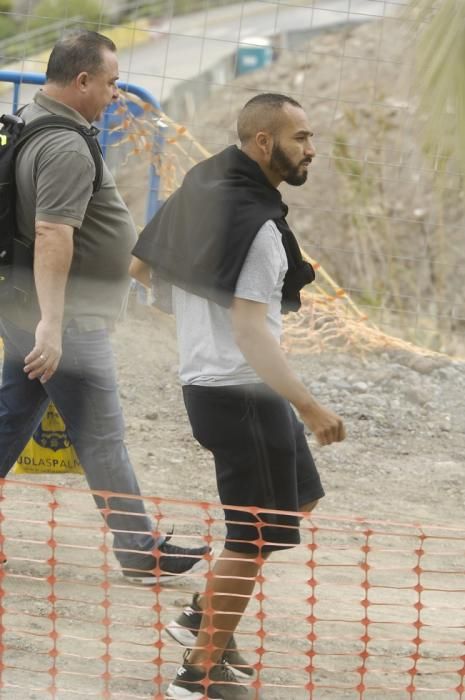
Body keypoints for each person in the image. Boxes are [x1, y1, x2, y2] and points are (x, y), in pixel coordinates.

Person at [130, 93, 346, 697]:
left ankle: (204, 614)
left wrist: (193, 326)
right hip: (242, 393)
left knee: (297, 499)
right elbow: (251, 332)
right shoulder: (258, 229)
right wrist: (311, 406)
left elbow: (142, 270)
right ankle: (198, 673)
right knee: (252, 539)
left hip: (215, 388)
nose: (311, 149)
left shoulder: (205, 184)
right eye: (301, 137)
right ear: (262, 143)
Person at [0, 30, 210, 584]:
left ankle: (139, 545)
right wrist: (51, 323)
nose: (116, 94)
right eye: (112, 83)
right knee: (100, 433)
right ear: (83, 79)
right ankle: (140, 548)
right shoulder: (66, 144)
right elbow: (51, 232)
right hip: (64, 316)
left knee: (9, 419)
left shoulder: (33, 118)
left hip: (32, 309)